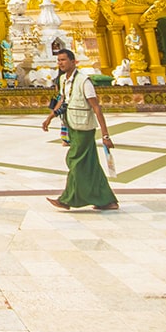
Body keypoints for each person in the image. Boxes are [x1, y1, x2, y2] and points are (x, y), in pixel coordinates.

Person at [42, 49, 118, 211]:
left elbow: (96, 108)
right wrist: (50, 117)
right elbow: (63, 100)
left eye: (63, 60)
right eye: (59, 60)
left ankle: (67, 199)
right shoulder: (63, 79)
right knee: (90, 164)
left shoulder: (84, 81)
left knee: (74, 160)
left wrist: (105, 135)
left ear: (73, 61)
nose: (61, 63)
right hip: (72, 125)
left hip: (84, 127)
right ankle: (106, 200)